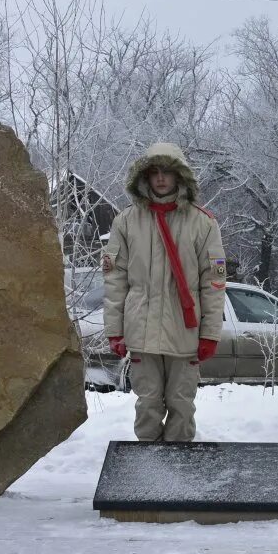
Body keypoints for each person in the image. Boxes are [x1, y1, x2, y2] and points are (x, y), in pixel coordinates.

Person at [103, 142, 226, 442]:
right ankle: (147, 474)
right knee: (147, 404)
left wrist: (210, 333)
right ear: (145, 176)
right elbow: (115, 280)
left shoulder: (203, 223)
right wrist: (114, 331)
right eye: (155, 172)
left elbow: (213, 283)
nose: (160, 178)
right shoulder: (126, 221)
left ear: (179, 176)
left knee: (182, 405)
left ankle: (179, 477)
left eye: (167, 172)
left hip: (184, 332)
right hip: (141, 331)